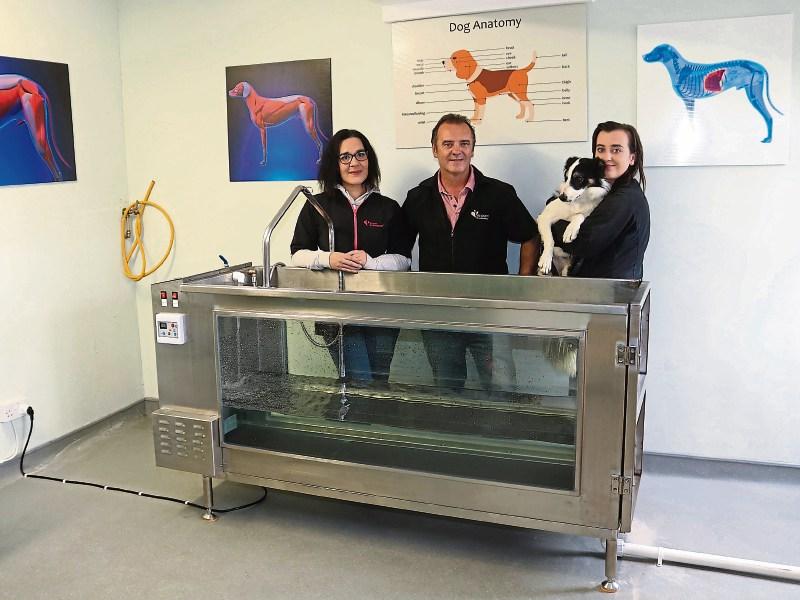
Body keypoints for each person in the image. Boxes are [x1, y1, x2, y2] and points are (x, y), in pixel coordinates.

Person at [402, 113, 540, 390]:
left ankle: (499, 432)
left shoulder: (499, 194)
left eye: (464, 143)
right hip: (439, 316)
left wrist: (521, 287)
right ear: (434, 149)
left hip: (491, 314)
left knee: (500, 389)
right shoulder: (418, 197)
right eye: (448, 143)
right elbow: (399, 252)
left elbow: (530, 236)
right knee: (447, 389)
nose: (457, 150)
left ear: (473, 149)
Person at [290, 129, 410, 382]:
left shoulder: (388, 207)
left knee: (379, 380)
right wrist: (328, 259)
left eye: (360, 154)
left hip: (382, 311)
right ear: (335, 164)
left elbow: (404, 259)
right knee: (359, 379)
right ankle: (353, 417)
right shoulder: (316, 205)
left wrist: (371, 262)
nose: (354, 162)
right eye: (345, 157)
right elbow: (297, 254)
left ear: (370, 159)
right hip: (336, 313)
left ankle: (365, 418)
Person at [551, 121, 650, 279]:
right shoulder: (609, 191)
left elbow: (584, 242)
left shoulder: (624, 198)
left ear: (632, 157)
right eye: (600, 149)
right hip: (601, 292)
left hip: (611, 295)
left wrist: (552, 219)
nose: (606, 157)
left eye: (616, 150)